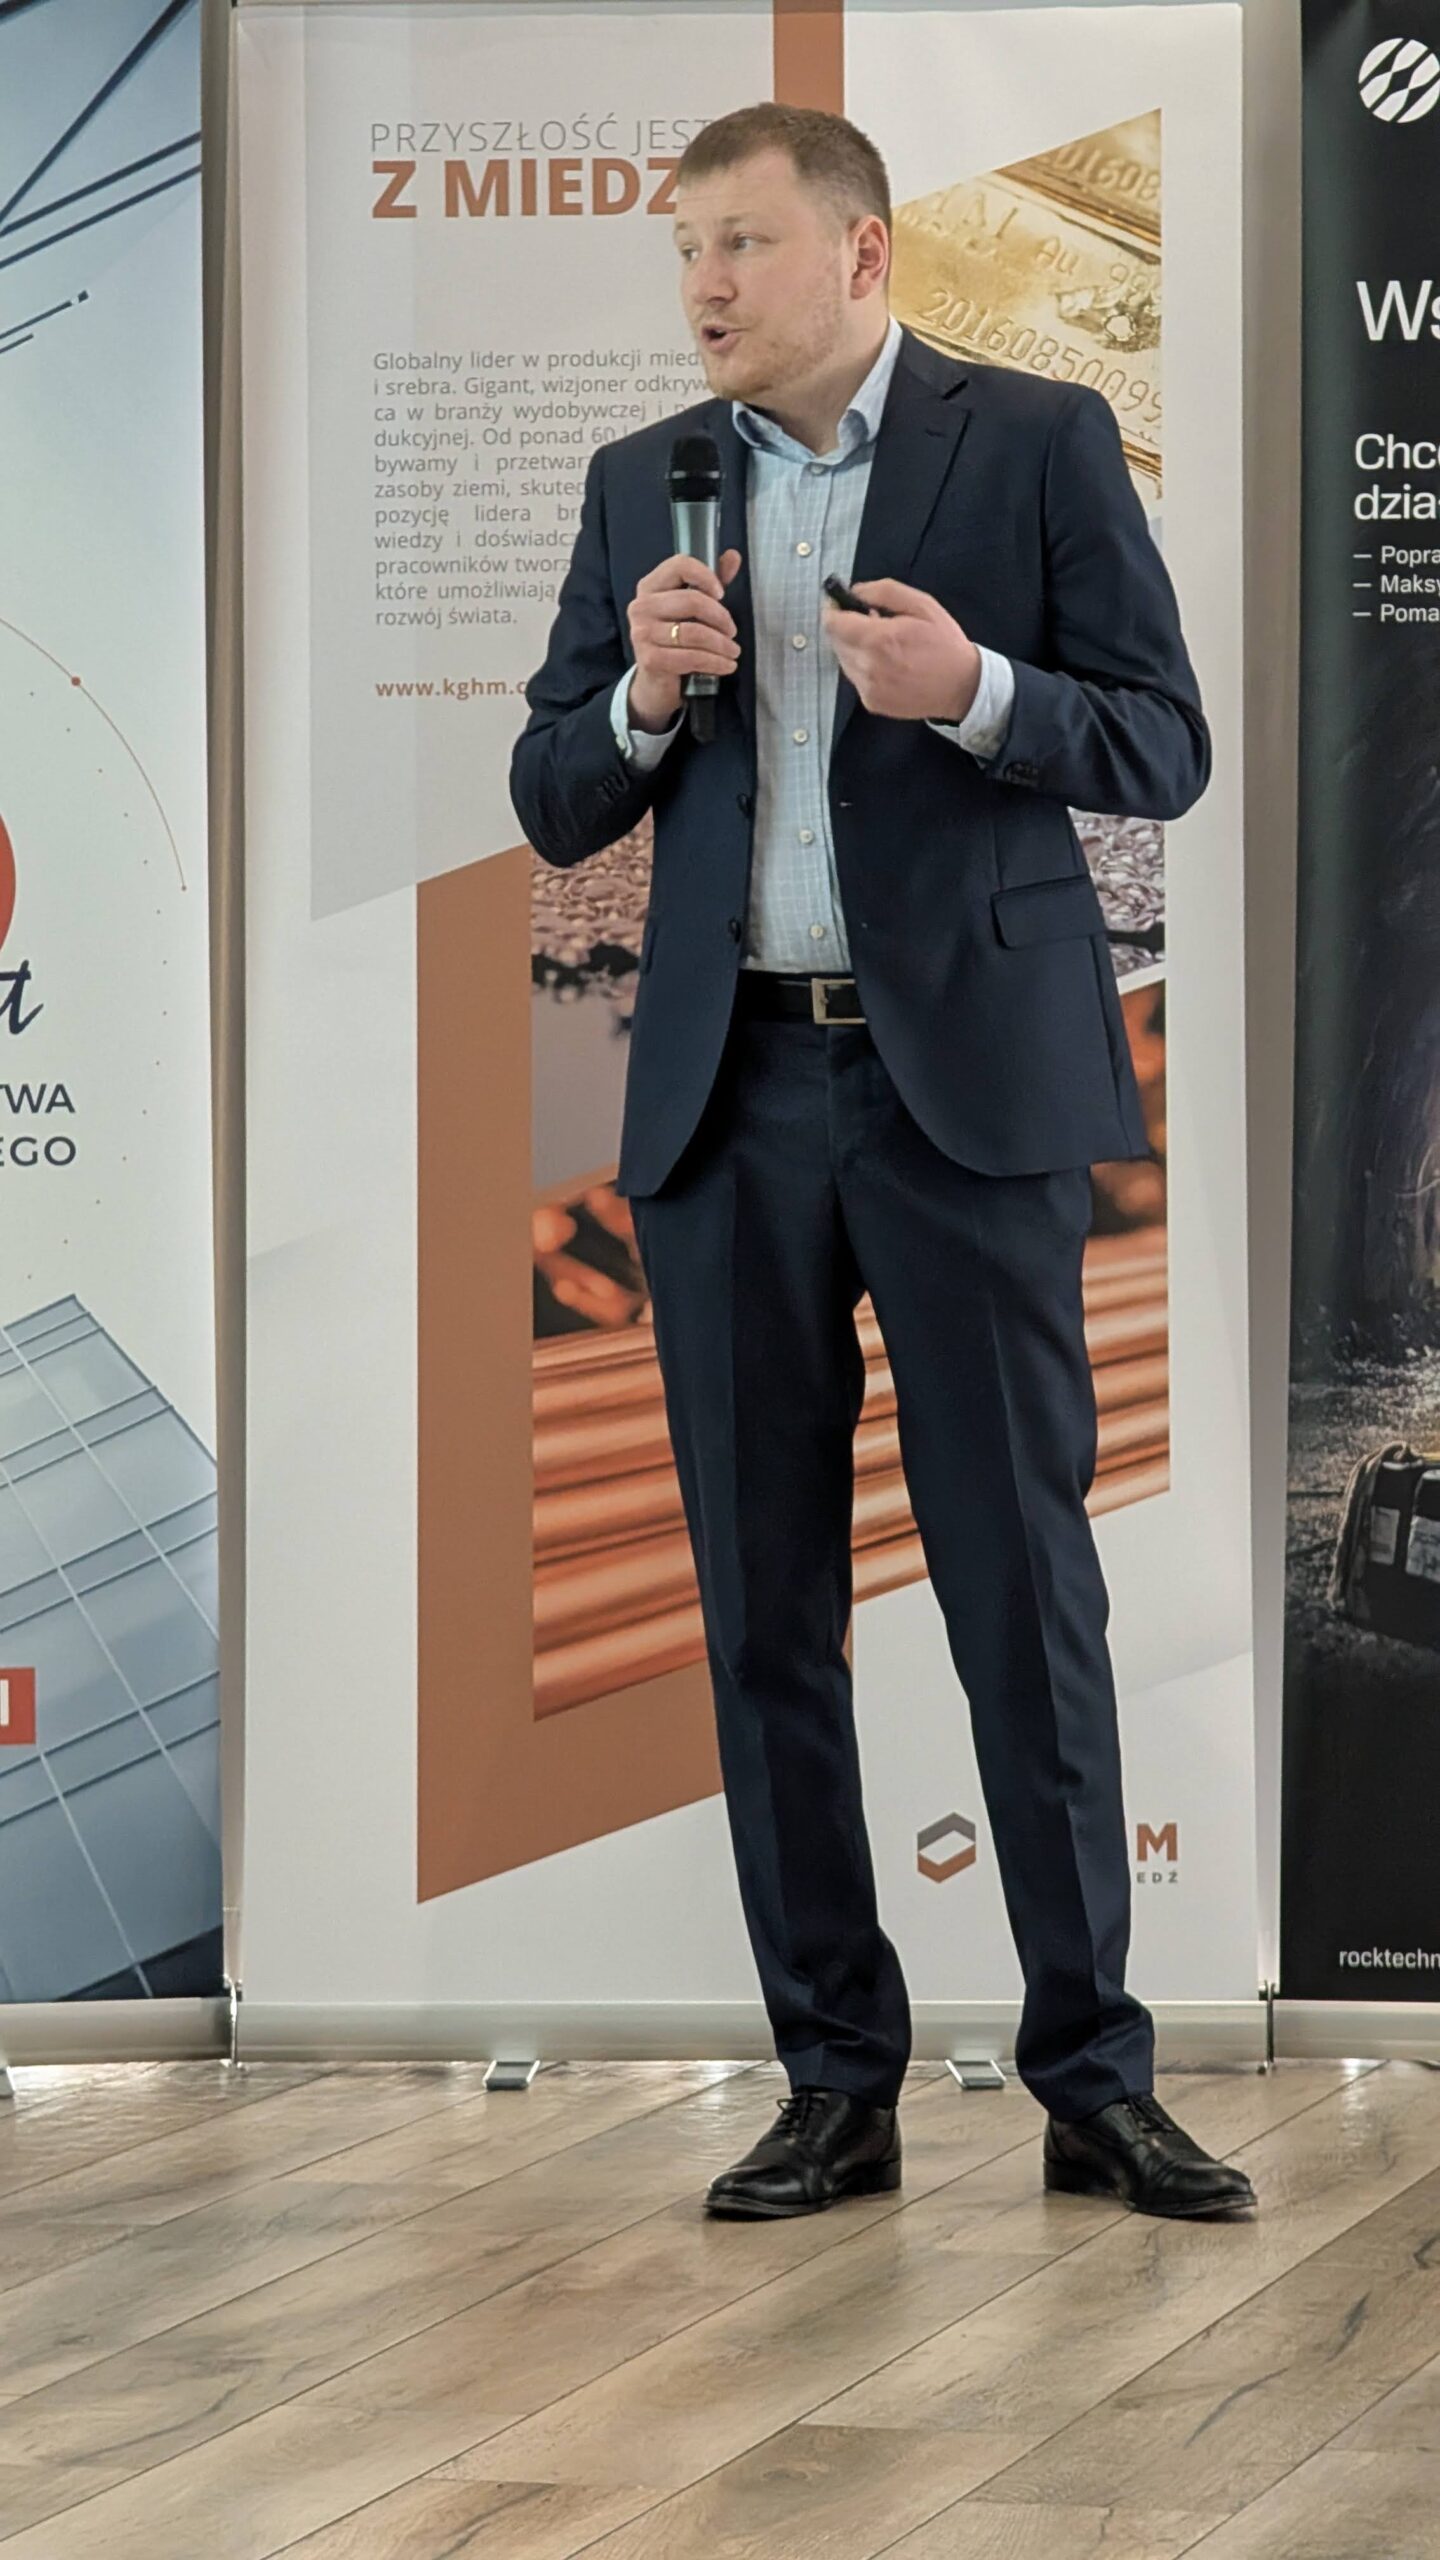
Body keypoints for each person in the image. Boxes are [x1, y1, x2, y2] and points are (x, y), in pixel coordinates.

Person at [510, 101, 1256, 2226]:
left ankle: (1095, 2078)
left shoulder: (1035, 441)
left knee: (1024, 1589)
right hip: (727, 1102)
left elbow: (1164, 742)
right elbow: (553, 794)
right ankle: (834, 2080)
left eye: (739, 243)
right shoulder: (642, 482)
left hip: (969, 1103)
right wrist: (642, 702)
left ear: (861, 253)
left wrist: (980, 689)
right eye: (684, 250)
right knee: (766, 1616)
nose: (704, 286)